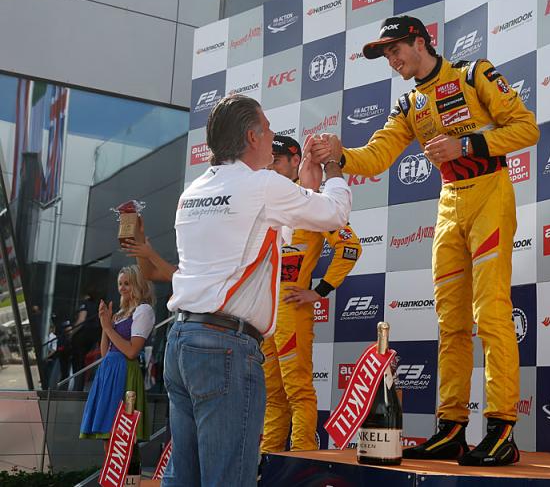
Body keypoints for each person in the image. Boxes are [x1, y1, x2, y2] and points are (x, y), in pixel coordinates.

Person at [313, 16, 540, 466]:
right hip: (450, 202)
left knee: (491, 312)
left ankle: (501, 430)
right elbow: (377, 155)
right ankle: (451, 428)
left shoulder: (473, 74)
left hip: (490, 193)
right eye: (386, 55)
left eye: (396, 50)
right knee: (451, 322)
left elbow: (526, 128)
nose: (392, 61)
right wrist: (340, 155)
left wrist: (467, 146)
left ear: (420, 42)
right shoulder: (409, 104)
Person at [161, 94, 351, 486]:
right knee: (229, 478)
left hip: (180, 341)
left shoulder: (193, 190)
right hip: (225, 346)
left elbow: (271, 234)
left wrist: (306, 189)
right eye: (267, 129)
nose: (272, 136)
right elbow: (334, 213)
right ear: (252, 137)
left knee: (184, 479)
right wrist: (333, 165)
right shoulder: (262, 186)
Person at [260, 136, 362, 455]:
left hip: (291, 312)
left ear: (295, 162)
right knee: (272, 395)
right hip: (264, 315)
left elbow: (349, 247)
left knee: (298, 390)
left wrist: (318, 292)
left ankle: (302, 458)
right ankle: (267, 460)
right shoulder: (267, 202)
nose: (271, 167)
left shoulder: (312, 203)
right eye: (268, 161)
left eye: (277, 161)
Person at [79, 265, 154, 447]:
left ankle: (129, 467)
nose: (122, 288)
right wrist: (105, 324)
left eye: (127, 283)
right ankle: (113, 467)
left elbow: (132, 351)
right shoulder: (120, 314)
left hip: (125, 371)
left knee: (122, 435)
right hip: (109, 370)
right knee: (107, 434)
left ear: (138, 284)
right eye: (120, 284)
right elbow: (106, 353)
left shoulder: (143, 310)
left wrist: (108, 328)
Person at [70, 292, 101, 391]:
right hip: (94, 337)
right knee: (86, 363)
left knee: (78, 363)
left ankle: (77, 388)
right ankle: (81, 387)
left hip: (82, 337)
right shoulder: (96, 306)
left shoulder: (84, 304)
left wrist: (71, 333)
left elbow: (81, 320)